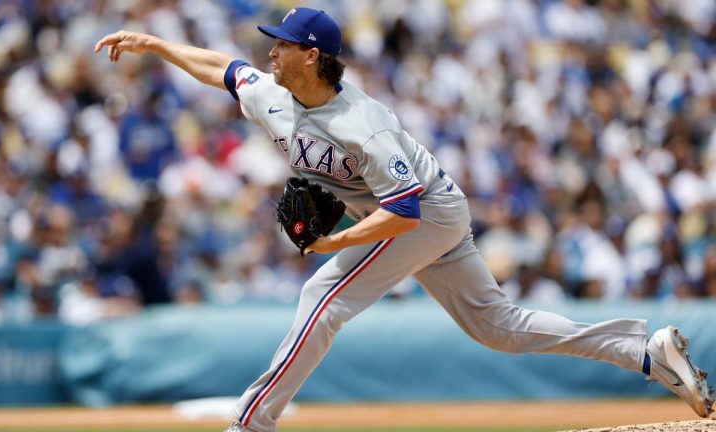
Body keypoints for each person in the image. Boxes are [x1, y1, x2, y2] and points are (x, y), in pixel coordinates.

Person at [95, 7, 714, 431]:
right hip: (419, 215)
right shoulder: (274, 95)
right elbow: (223, 70)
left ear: (311, 57)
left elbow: (404, 213)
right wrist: (154, 45)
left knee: (323, 294)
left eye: (281, 44)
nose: (270, 50)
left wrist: (337, 240)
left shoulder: (364, 124)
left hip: (426, 215)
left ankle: (252, 420)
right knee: (498, 326)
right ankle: (644, 351)